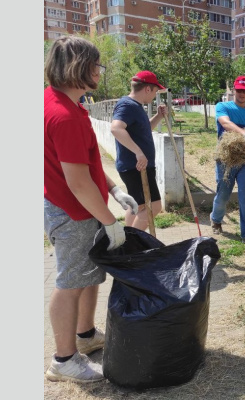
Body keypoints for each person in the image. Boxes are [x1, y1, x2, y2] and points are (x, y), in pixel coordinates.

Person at [44, 36, 138, 383]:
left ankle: (85, 336)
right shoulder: (64, 114)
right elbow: (78, 182)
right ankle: (64, 359)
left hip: (83, 208)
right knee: (70, 282)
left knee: (89, 274)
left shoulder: (71, 105)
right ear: (79, 68)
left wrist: (114, 189)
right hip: (73, 212)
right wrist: (108, 219)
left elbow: (89, 161)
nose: (100, 70)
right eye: (96, 64)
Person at [111, 71, 168, 231]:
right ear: (148, 89)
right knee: (154, 206)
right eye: (155, 91)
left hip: (136, 166)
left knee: (138, 205)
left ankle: (127, 238)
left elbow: (143, 130)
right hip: (136, 166)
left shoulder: (136, 106)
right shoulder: (128, 105)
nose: (154, 96)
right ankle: (132, 243)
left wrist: (158, 117)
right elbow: (116, 128)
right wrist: (138, 152)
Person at [210, 76, 245, 245]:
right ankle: (216, 219)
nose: (241, 94)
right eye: (239, 90)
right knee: (223, 194)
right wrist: (244, 133)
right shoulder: (223, 106)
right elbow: (225, 123)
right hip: (227, 159)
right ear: (234, 90)